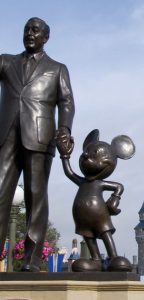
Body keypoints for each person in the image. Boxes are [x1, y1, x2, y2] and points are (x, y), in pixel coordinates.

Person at [0, 17, 75, 272]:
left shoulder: (57, 69)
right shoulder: (6, 62)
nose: (29, 33)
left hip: (41, 137)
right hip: (6, 136)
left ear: (46, 37)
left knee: (35, 196)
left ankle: (32, 259)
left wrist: (64, 128)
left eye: (35, 30)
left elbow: (66, 102)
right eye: (26, 29)